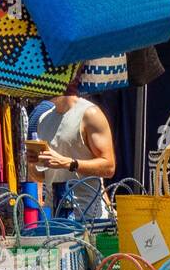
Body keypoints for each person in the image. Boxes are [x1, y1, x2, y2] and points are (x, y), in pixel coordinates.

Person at [35, 80, 116, 219]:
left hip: (88, 218)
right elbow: (43, 176)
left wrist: (69, 163)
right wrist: (33, 162)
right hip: (54, 219)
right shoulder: (43, 119)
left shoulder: (90, 114)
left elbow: (109, 166)